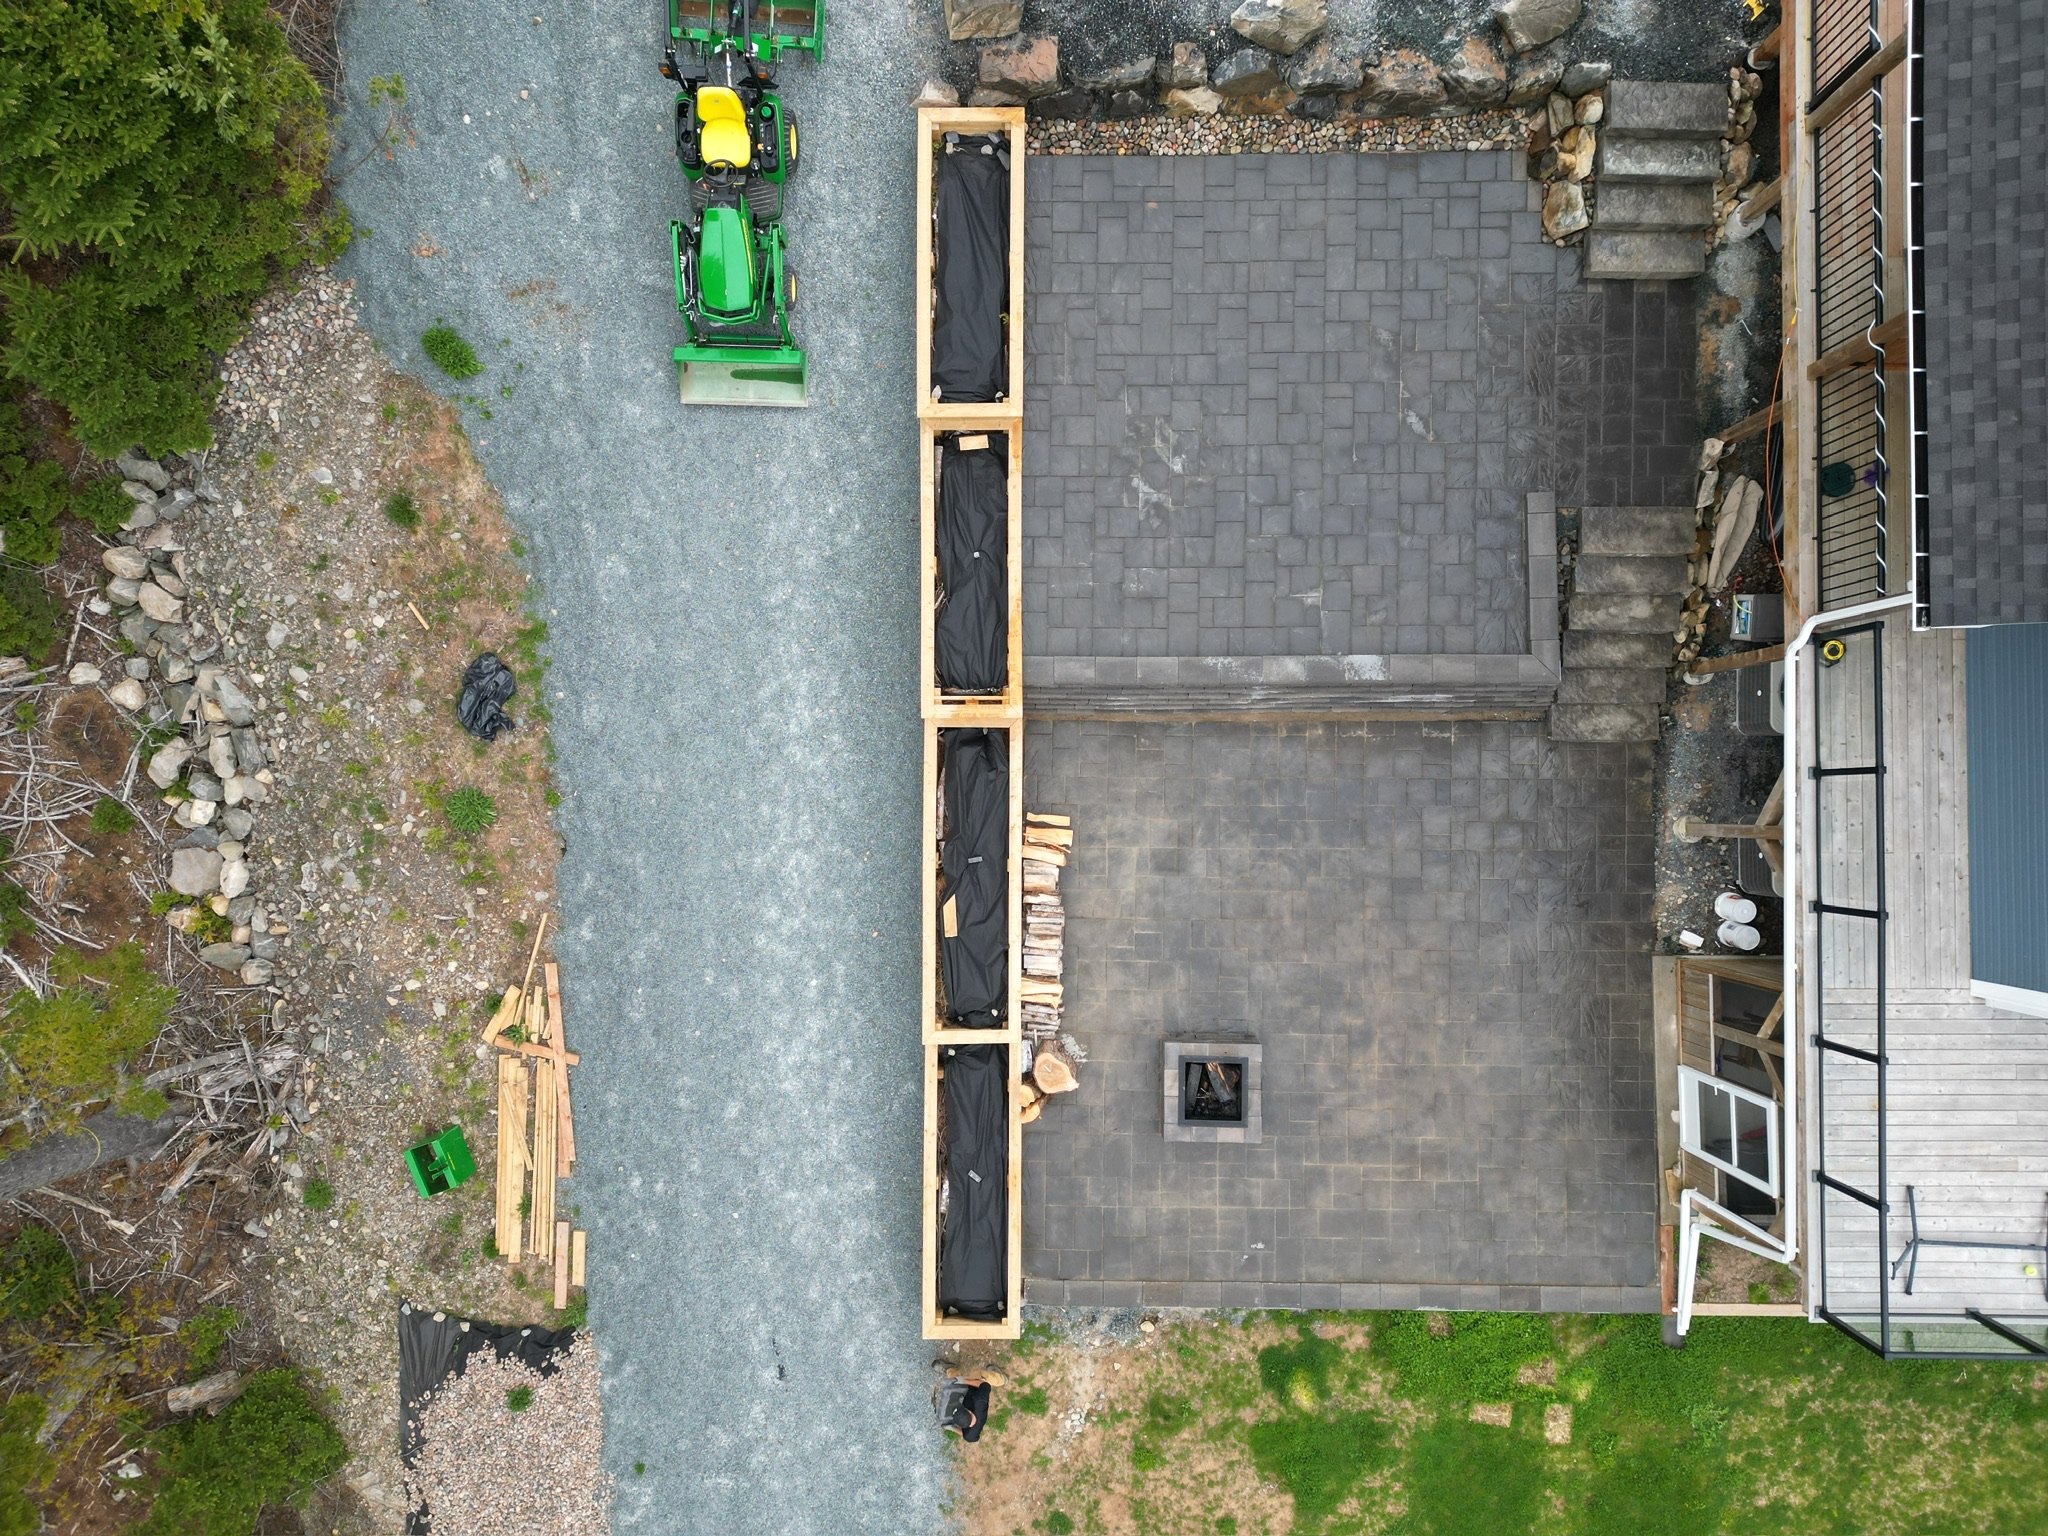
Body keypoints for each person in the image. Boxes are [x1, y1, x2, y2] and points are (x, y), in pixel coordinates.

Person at [934, 1365, 1006, 1442]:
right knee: (984, 1378)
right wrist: (964, 1381)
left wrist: (952, 1428)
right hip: (978, 1388)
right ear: (969, 1411)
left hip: (970, 1393)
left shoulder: (970, 1436)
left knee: (957, 1377)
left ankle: (949, 1370)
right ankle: (1001, 1380)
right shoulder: (980, 1402)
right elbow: (985, 1385)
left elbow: (964, 1434)